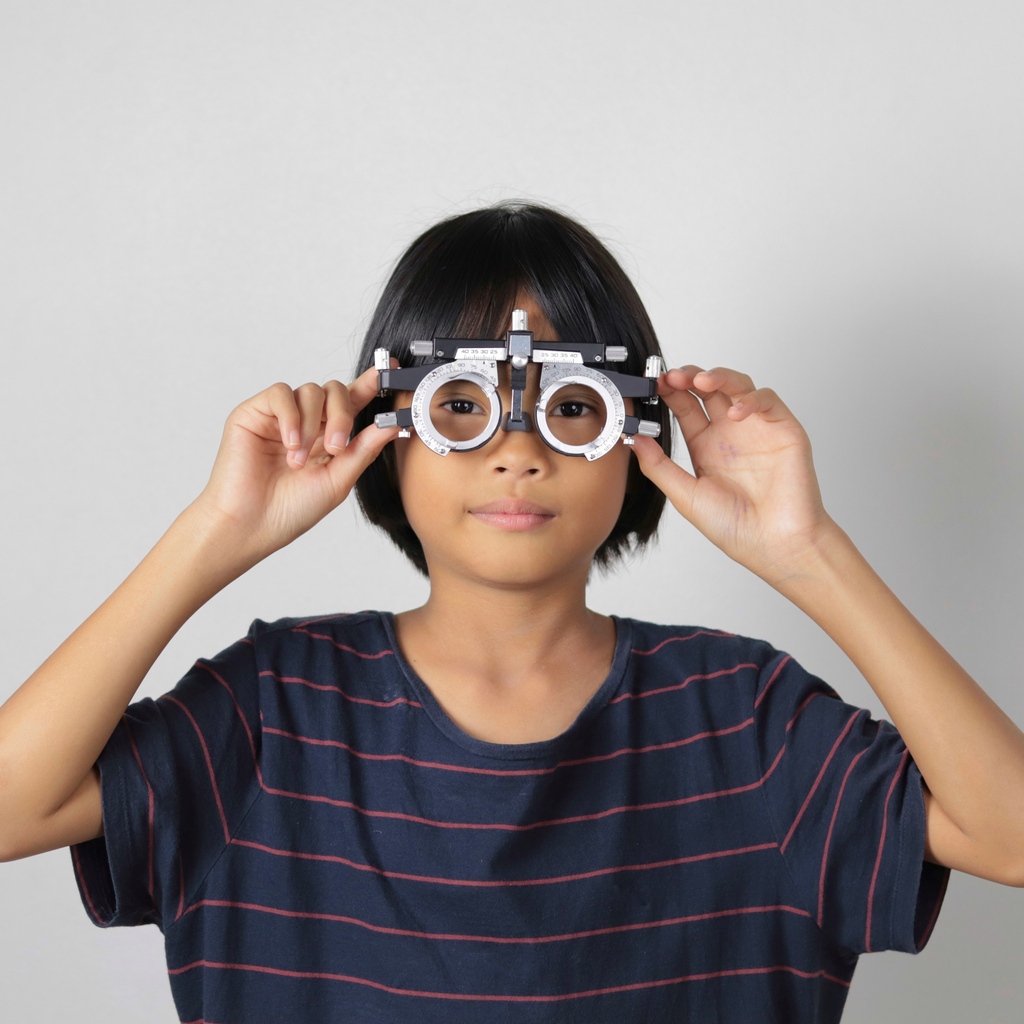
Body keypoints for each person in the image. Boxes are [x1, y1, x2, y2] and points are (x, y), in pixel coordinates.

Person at [1, 200, 1021, 1024]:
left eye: (572, 405)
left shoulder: (744, 721)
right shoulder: (271, 708)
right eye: (462, 402)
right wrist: (214, 532)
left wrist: (809, 553)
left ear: (636, 439)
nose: (517, 449)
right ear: (383, 429)